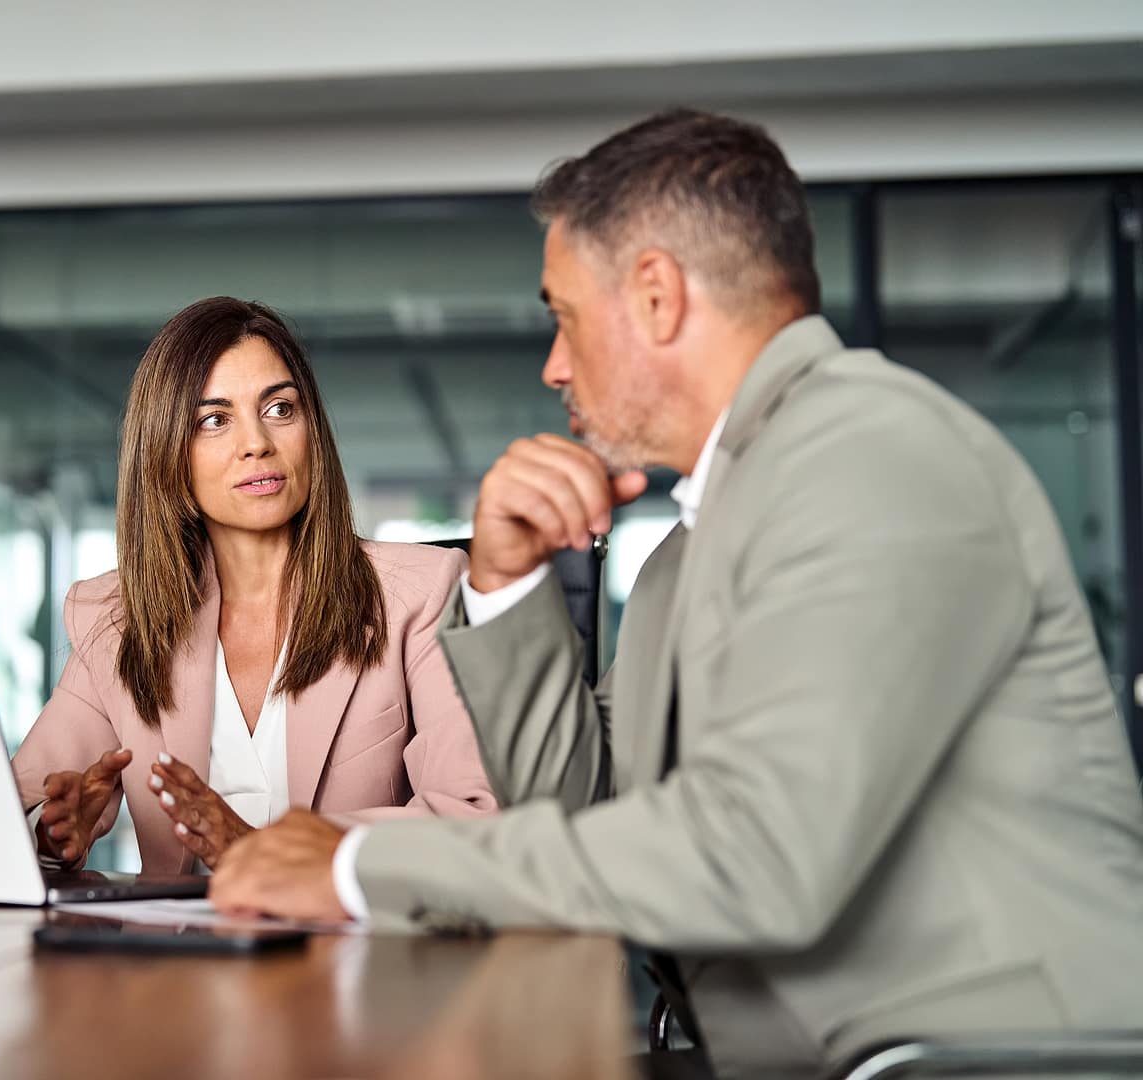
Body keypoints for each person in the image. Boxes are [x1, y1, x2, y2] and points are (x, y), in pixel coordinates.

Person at [208, 111, 1143, 1075]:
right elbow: (578, 812)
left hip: (979, 1059)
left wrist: (358, 868)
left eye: (563, 316)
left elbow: (756, 855)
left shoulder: (873, 454)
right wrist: (503, 589)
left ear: (656, 297)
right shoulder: (685, 556)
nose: (553, 366)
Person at [11, 297, 496, 876]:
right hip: (175, 960)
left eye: (281, 409)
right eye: (214, 419)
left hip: (352, 953)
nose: (257, 443)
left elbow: (474, 817)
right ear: (168, 455)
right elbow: (18, 804)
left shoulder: (421, 593)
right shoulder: (112, 619)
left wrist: (265, 848)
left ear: (312, 432)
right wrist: (53, 827)